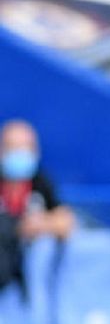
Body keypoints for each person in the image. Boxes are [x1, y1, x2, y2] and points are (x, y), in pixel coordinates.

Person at [0, 119, 75, 290]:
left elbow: (66, 221)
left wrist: (42, 224)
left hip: (26, 264)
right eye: (13, 148)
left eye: (26, 147)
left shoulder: (41, 181)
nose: (20, 154)